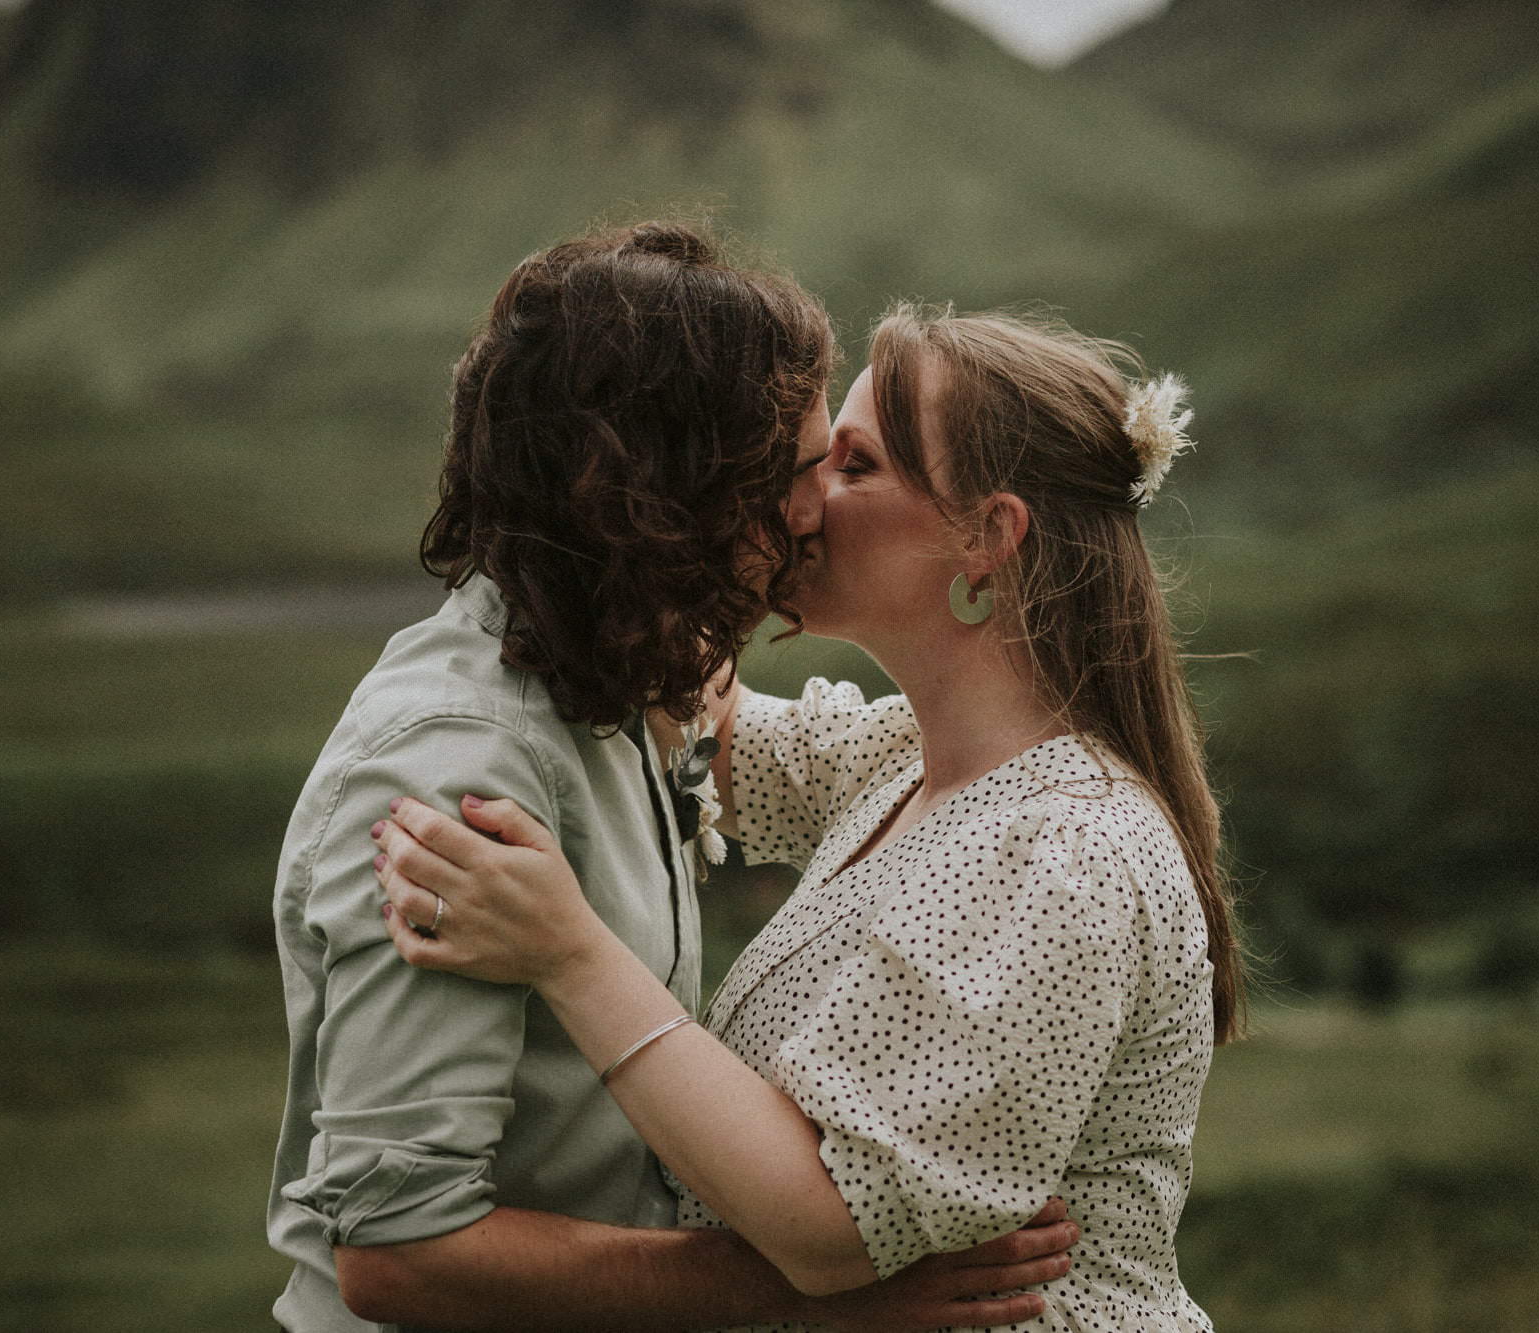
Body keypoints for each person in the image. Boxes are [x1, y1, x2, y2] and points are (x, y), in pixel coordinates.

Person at [373, 304, 1246, 1330]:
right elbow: (709, 714)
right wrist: (687, 518)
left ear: (987, 534)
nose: (802, 504)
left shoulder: (1061, 851)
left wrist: (564, 951)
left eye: (855, 464)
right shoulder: (906, 763)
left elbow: (829, 1223)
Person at [269, 228, 1076, 1333]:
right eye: (799, 470)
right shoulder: (464, 766)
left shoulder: (615, 672)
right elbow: (399, 1254)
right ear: (665, 491)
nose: (812, 517)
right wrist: (802, 1290)